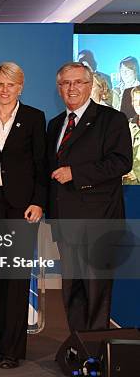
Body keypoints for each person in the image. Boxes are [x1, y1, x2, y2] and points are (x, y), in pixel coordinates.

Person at [47, 62, 131, 332]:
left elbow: (121, 163)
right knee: (72, 291)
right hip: (66, 223)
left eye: (78, 82)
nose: (72, 88)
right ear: (59, 88)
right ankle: (79, 349)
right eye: (65, 83)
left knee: (97, 292)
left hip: (98, 223)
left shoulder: (112, 119)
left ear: (90, 84)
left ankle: (95, 357)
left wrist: (76, 173)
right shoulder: (55, 124)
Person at [0, 62, 47, 369]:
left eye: (10, 85)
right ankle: (1, 344)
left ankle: (14, 350)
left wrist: (39, 201)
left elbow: (42, 164)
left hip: (21, 208)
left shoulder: (33, 118)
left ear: (20, 87)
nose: (4, 90)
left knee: (17, 279)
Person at [123, 86, 140, 185]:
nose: (138, 104)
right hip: (129, 184)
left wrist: (137, 173)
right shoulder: (128, 126)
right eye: (135, 100)